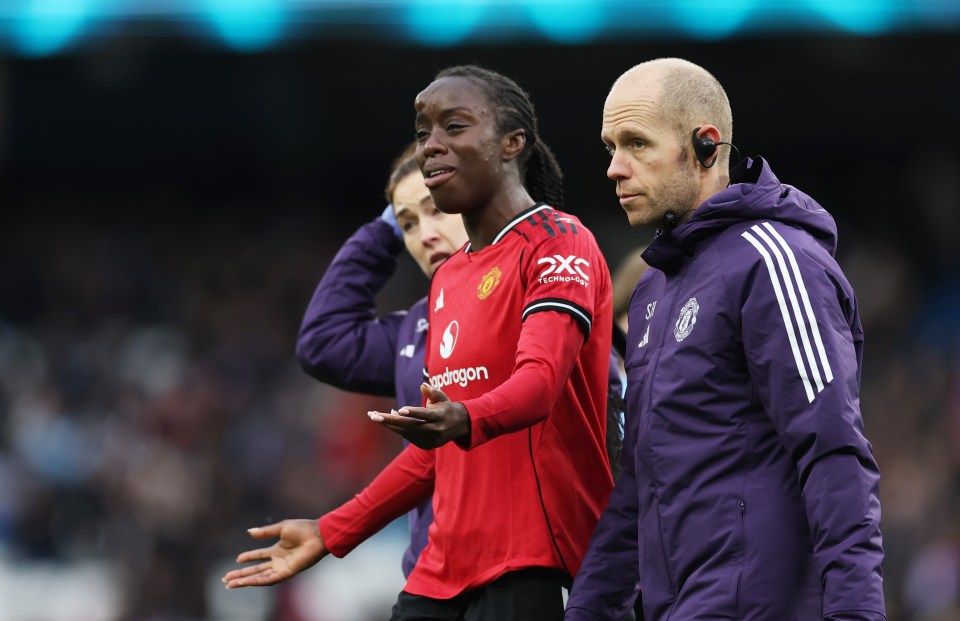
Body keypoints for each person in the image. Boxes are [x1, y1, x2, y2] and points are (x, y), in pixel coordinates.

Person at [223, 65, 616, 621]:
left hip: (535, 557)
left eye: (454, 127)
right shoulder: (449, 280)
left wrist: (462, 419)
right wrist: (333, 530)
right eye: (423, 130)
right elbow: (434, 456)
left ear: (512, 143)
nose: (431, 145)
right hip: (438, 573)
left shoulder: (560, 243)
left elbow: (539, 384)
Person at [565, 58, 885, 620]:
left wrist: (857, 614)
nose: (615, 168)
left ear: (707, 147)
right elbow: (638, 488)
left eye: (637, 144)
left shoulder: (775, 262)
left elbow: (833, 451)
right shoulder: (651, 293)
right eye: (610, 147)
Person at [295, 141, 468, 578]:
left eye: (437, 209)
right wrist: (386, 228)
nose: (424, 234)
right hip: (432, 579)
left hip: (525, 575)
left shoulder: (543, 299)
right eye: (409, 224)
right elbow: (324, 342)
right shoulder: (417, 326)